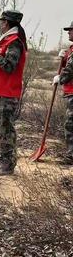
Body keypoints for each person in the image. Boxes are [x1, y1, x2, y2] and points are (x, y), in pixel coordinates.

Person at [0, 10, 27, 175]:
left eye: (2, 21)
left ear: (7, 23)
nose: (0, 24)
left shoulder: (14, 42)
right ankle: (2, 159)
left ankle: (7, 165)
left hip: (7, 94)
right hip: (0, 92)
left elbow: (9, 66)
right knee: (0, 128)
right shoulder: (6, 41)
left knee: (6, 129)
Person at [54, 21, 73, 165]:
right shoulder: (71, 49)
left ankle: (71, 155)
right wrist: (65, 57)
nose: (68, 32)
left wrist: (60, 78)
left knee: (70, 124)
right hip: (70, 91)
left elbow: (70, 70)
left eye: (71, 30)